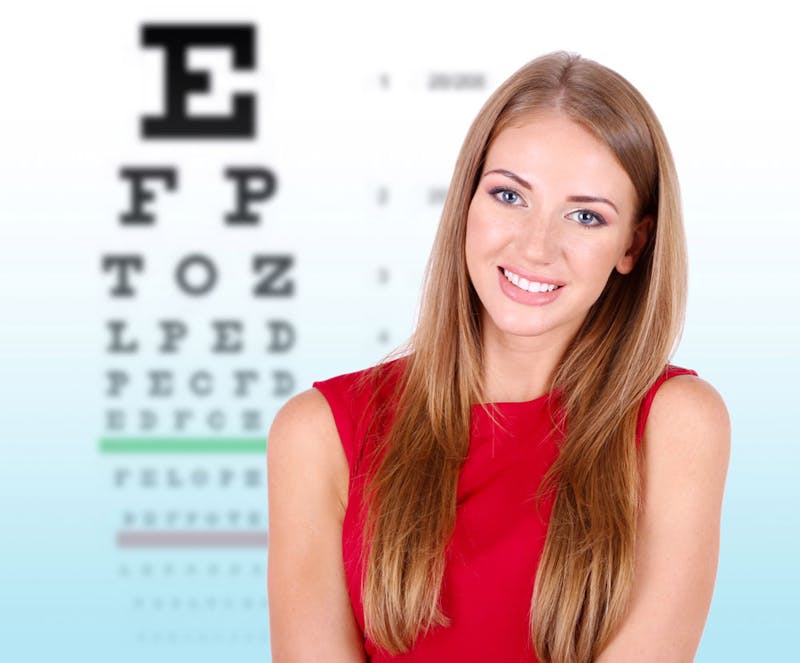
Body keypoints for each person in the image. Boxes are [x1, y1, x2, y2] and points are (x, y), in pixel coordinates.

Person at [267, 51, 730, 663]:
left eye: (586, 215)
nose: (538, 246)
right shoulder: (320, 432)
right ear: (467, 203)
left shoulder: (678, 424)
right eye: (510, 196)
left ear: (632, 245)